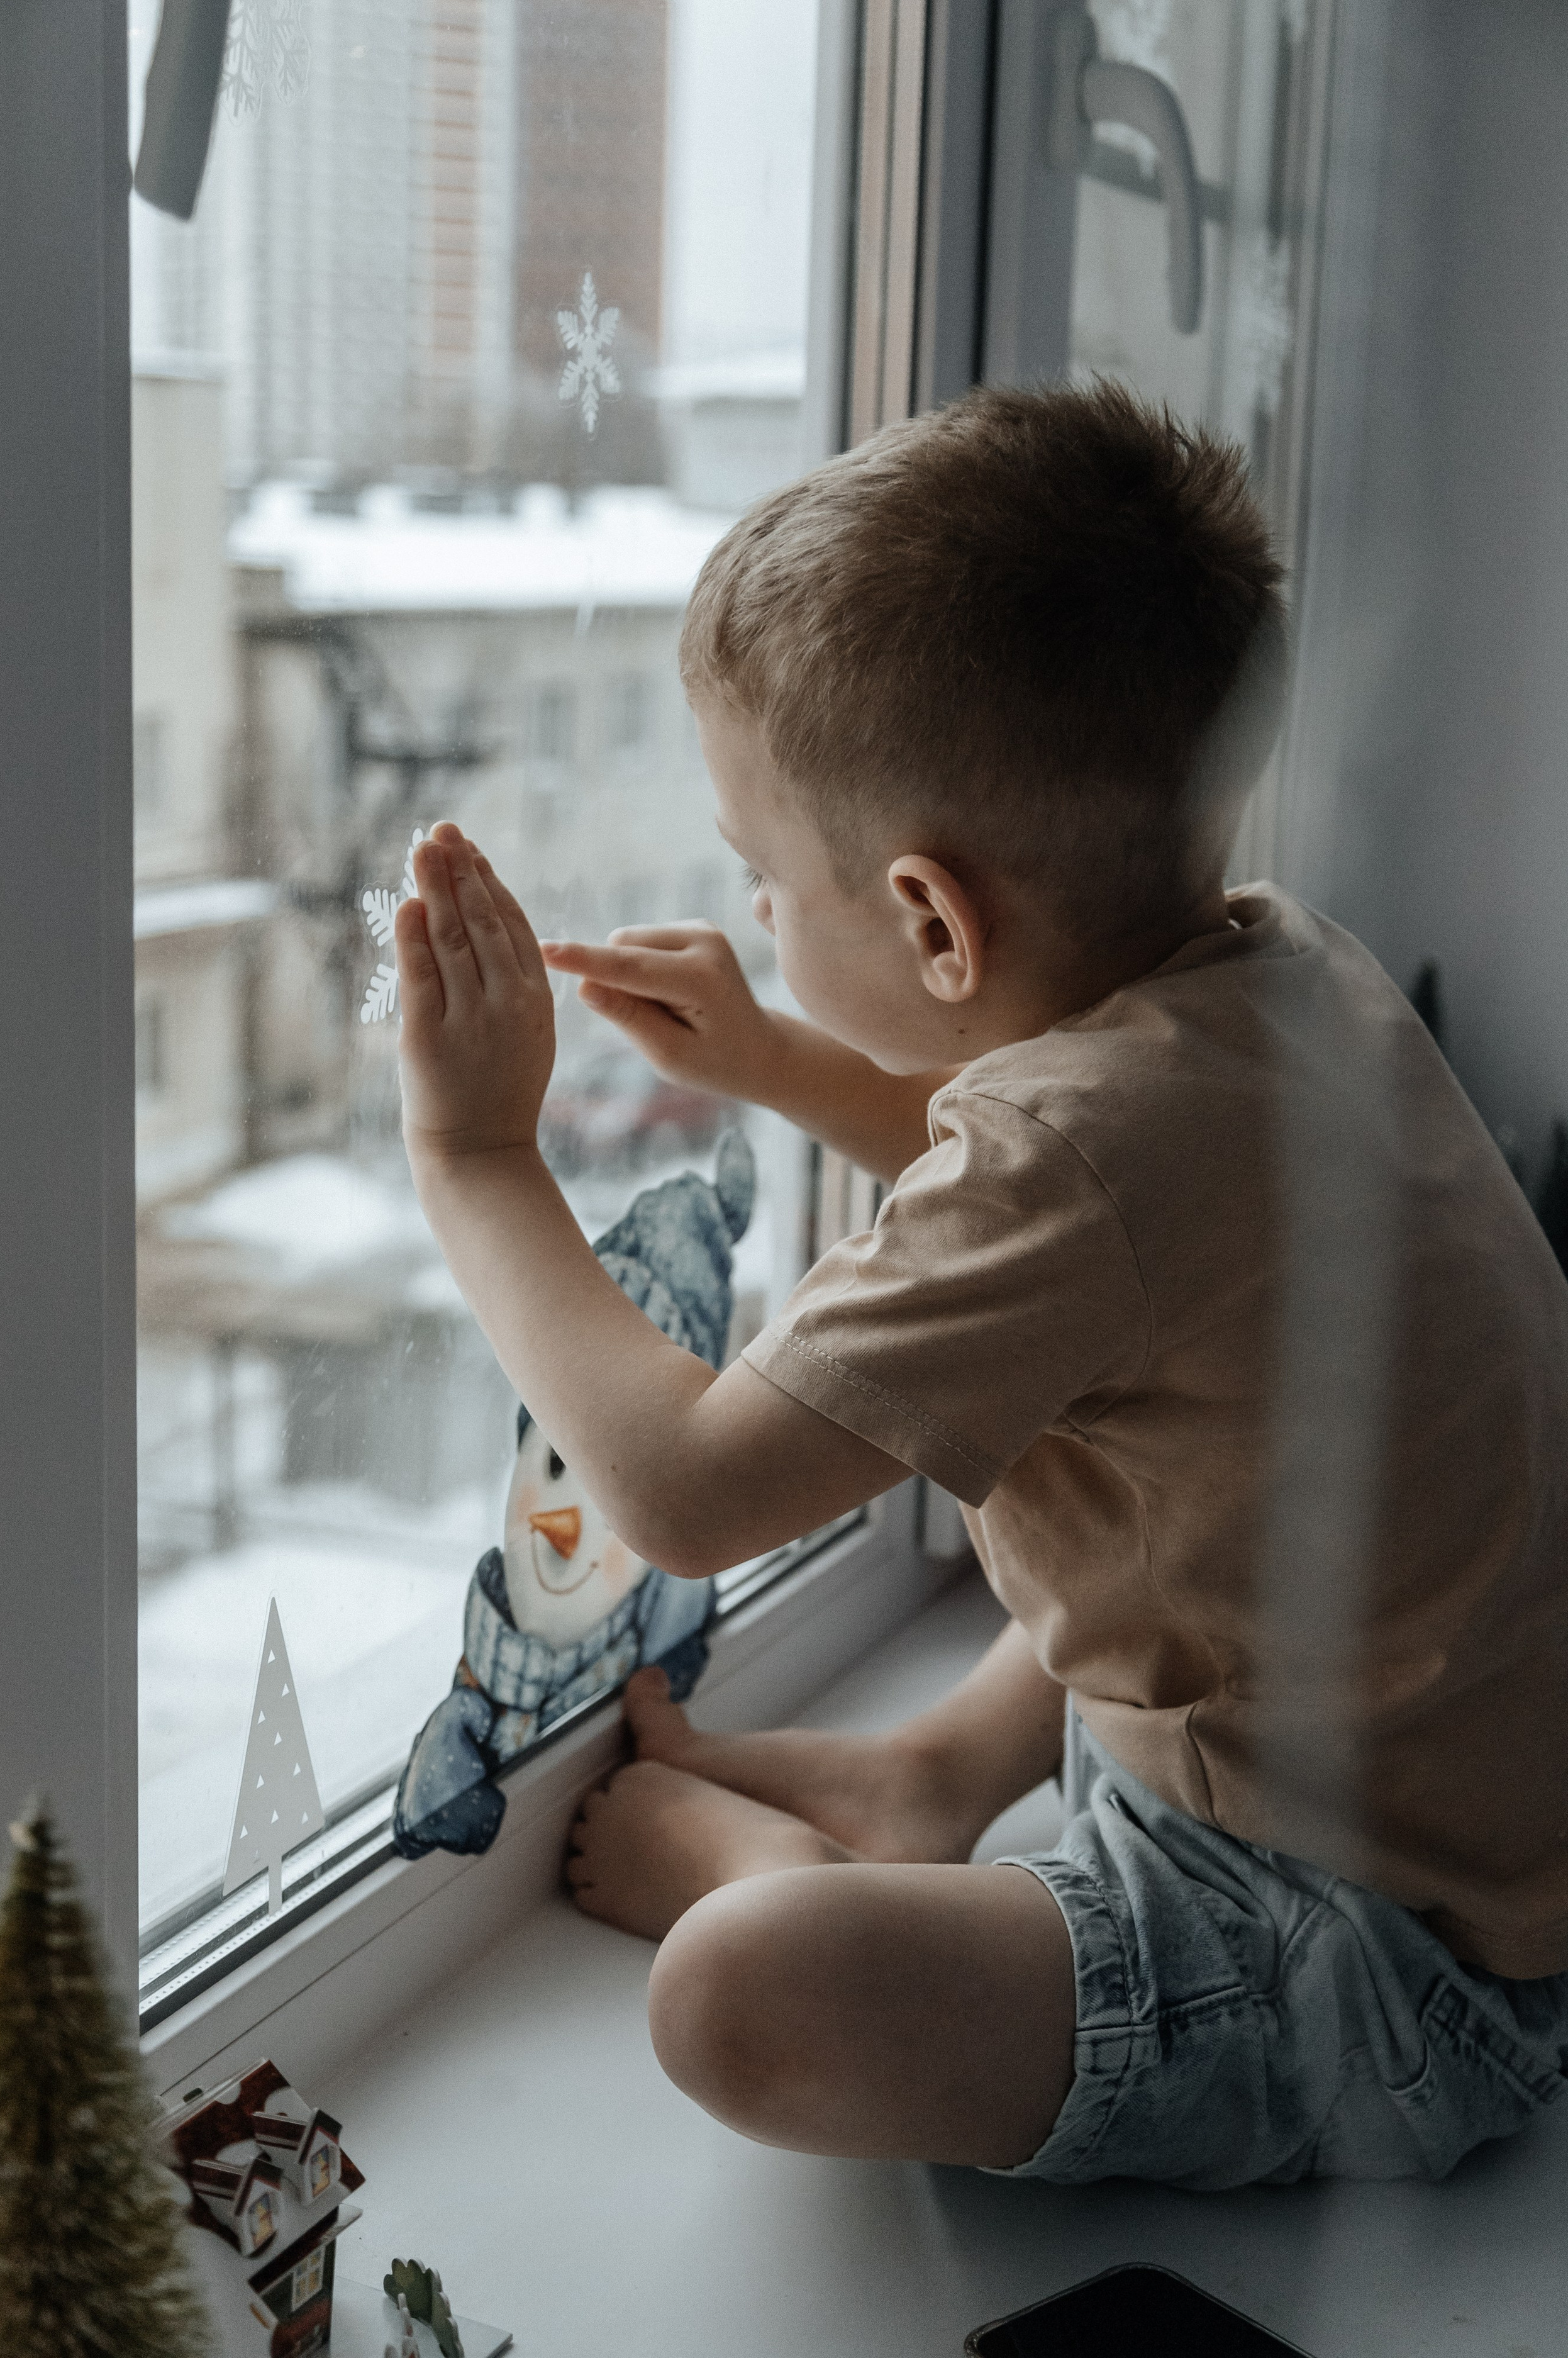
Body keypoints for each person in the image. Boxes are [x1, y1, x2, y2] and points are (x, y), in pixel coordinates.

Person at [393, 382, 1568, 2190]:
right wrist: (778, 1054)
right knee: (1148, 1484)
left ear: (936, 924)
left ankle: (795, 1864)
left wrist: (480, 1161)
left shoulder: (1078, 1162)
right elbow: (1059, 1199)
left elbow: (690, 1492)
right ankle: (931, 1774)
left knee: (738, 1998)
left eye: (769, 882)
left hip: (1387, 1962)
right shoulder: (1283, 970)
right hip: (1451, 1794)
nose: (763, 913)